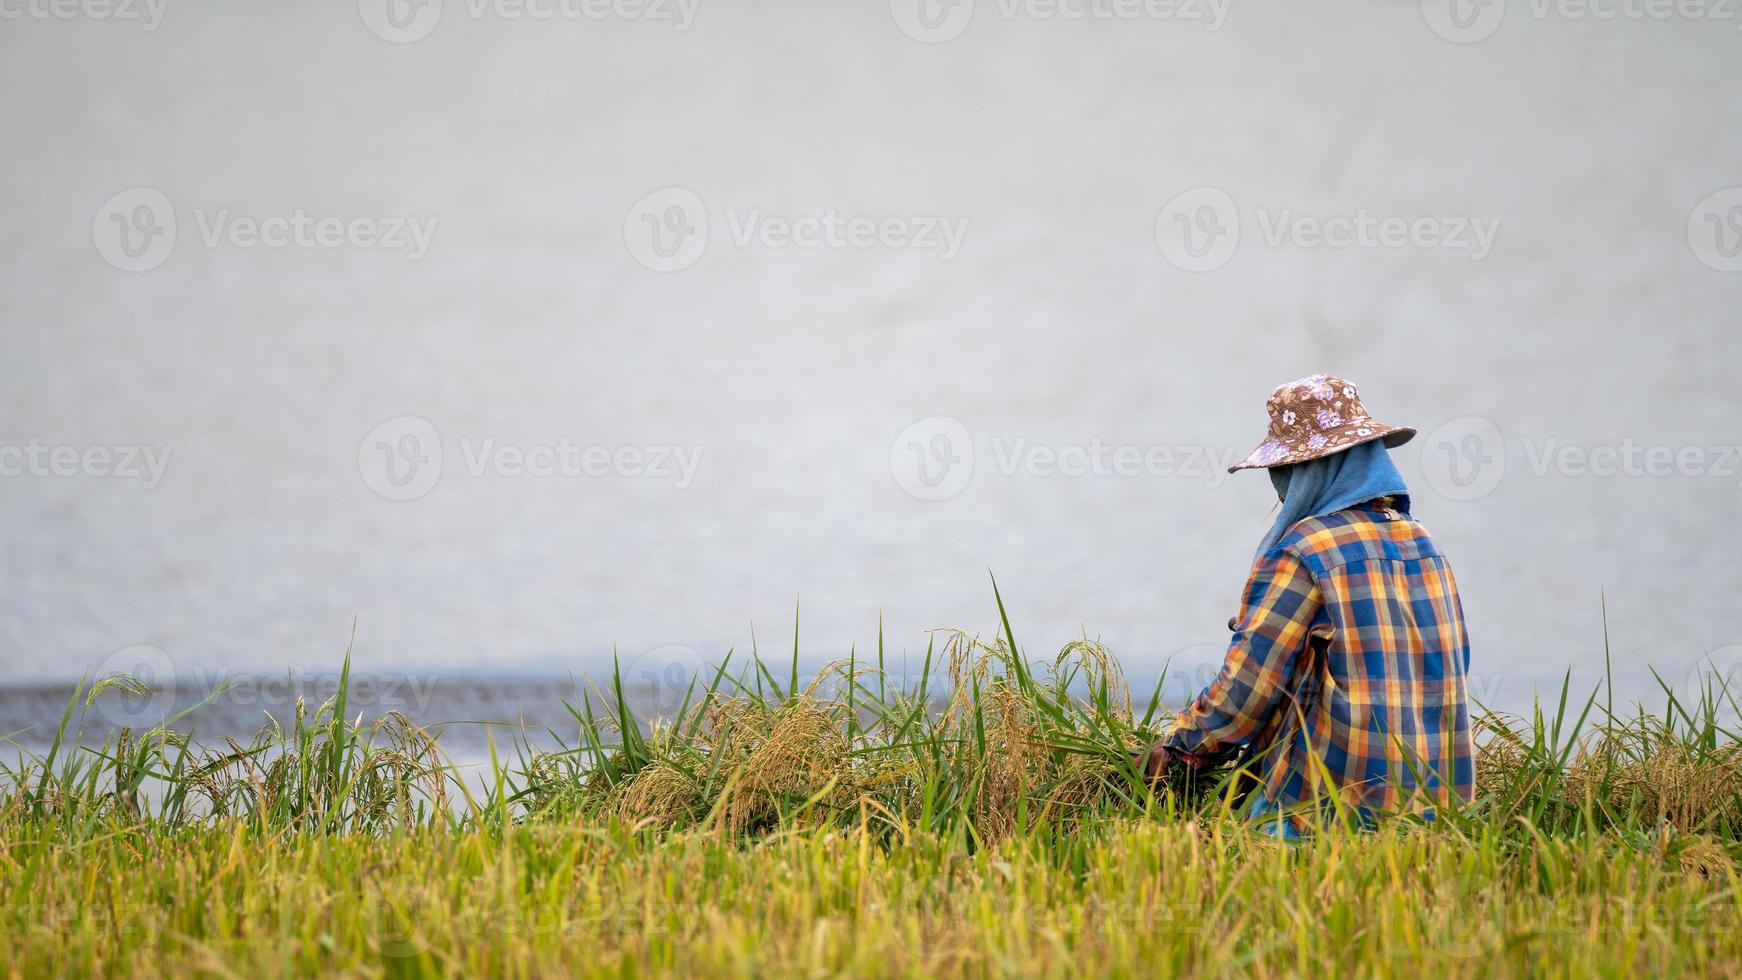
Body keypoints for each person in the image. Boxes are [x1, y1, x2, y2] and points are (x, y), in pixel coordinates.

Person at [1139, 374, 1474, 838]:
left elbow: (1250, 683)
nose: (1280, 489)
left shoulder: (1305, 549)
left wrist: (1180, 746)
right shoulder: (1425, 544)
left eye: (1285, 473)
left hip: (1330, 808)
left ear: (1314, 470)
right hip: (1438, 808)